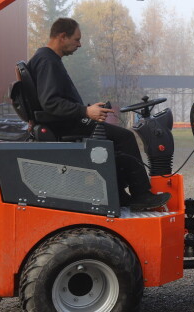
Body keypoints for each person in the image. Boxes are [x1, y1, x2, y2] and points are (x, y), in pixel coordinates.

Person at [27, 18, 170, 211]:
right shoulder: (47, 61)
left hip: (65, 122)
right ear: (62, 37)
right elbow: (50, 102)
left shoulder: (44, 59)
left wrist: (88, 109)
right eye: (76, 39)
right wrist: (86, 111)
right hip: (66, 125)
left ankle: (119, 195)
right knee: (125, 137)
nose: (79, 44)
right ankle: (141, 195)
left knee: (117, 144)